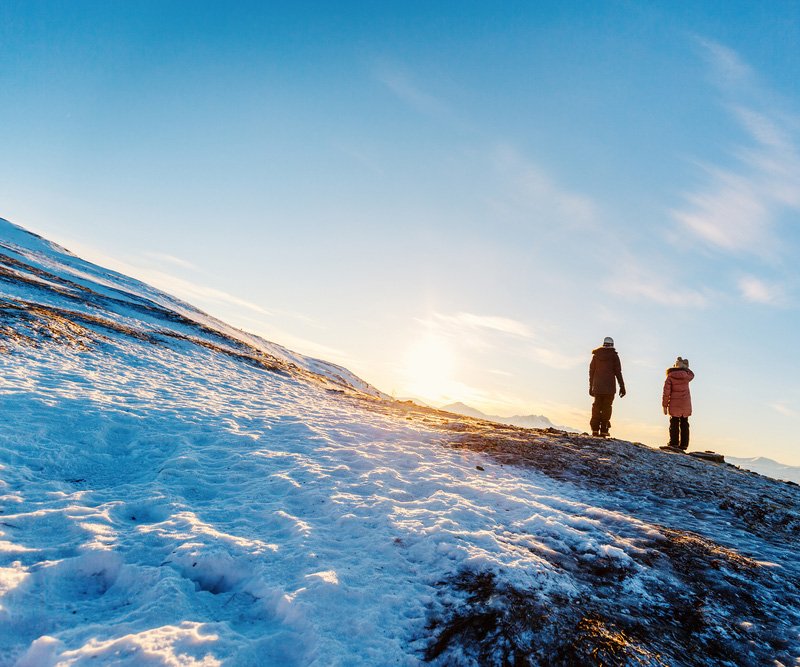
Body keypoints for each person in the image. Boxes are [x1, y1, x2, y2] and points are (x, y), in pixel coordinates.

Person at [589, 337, 626, 437]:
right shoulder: (614, 356)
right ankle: (604, 430)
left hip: (597, 387)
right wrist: (622, 386)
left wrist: (591, 386)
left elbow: (591, 372)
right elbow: (618, 372)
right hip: (609, 388)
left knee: (596, 407)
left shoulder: (596, 356)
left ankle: (595, 430)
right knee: (607, 408)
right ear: (612, 345)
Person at [662, 357, 694, 451]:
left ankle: (674, 443)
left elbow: (666, 392)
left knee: (674, 422)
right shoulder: (687, 376)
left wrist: (664, 405)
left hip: (674, 403)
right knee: (684, 423)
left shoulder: (671, 376)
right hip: (685, 403)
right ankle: (684, 444)